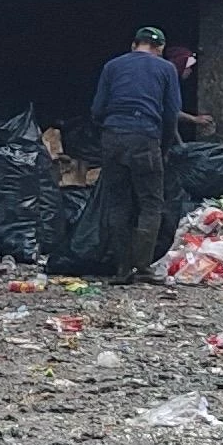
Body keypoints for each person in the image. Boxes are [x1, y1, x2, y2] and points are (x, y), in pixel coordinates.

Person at [87, 25, 183, 277]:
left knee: (118, 202)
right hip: (145, 139)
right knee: (150, 202)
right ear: (160, 48)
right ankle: (142, 265)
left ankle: (121, 267)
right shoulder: (166, 69)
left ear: (134, 44)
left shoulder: (113, 66)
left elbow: (97, 109)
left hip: (113, 138)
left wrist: (110, 132)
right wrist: (164, 146)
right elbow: (171, 113)